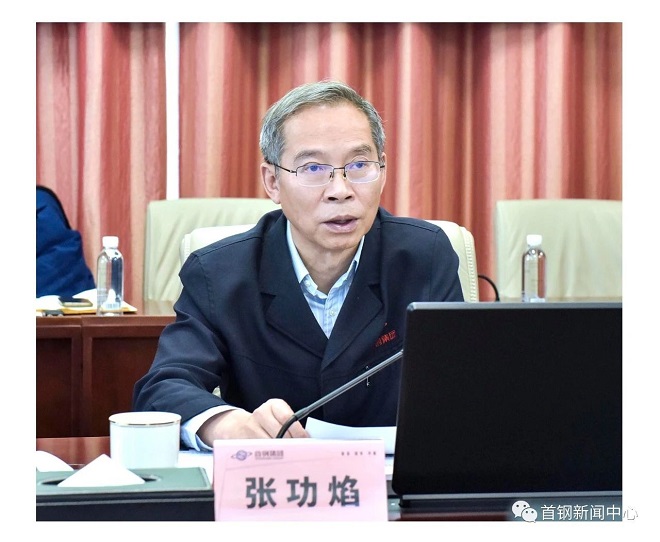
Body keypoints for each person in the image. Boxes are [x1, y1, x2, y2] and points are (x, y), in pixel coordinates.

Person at [133, 80, 464, 449]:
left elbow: (464, 385)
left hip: (391, 479)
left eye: (358, 165)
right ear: (272, 182)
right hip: (275, 480)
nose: (340, 190)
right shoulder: (219, 274)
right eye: (313, 168)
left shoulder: (425, 257)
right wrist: (226, 424)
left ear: (382, 171)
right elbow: (163, 388)